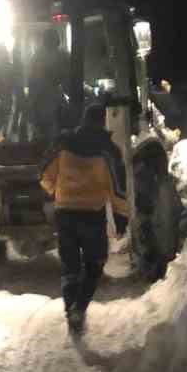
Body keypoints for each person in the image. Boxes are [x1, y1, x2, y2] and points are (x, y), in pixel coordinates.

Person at [39, 103, 129, 335]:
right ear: (103, 122)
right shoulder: (108, 149)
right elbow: (118, 187)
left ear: (83, 119)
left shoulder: (62, 143)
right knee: (95, 263)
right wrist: (121, 216)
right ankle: (79, 308)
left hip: (65, 213)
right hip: (91, 214)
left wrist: (55, 192)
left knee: (70, 266)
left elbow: (44, 174)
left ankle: (72, 314)